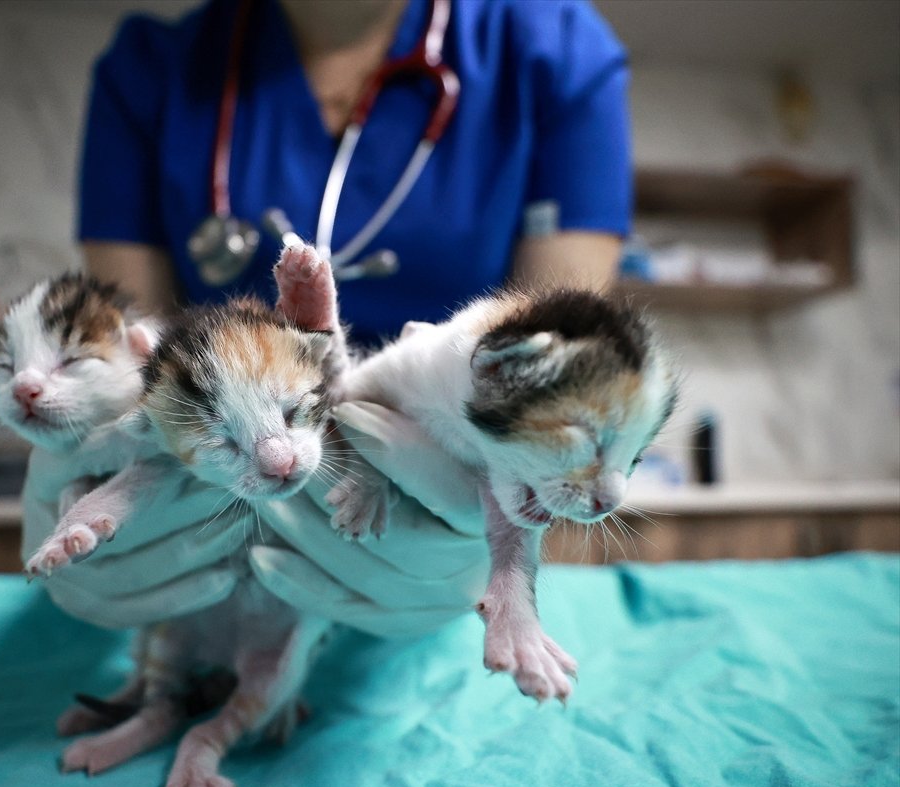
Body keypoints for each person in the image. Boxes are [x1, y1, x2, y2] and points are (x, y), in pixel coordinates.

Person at [31, 0, 632, 635]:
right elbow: (141, 366)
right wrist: (94, 470)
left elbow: (550, 379)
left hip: (439, 512)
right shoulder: (152, 70)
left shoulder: (550, 49)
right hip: (222, 539)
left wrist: (474, 536)